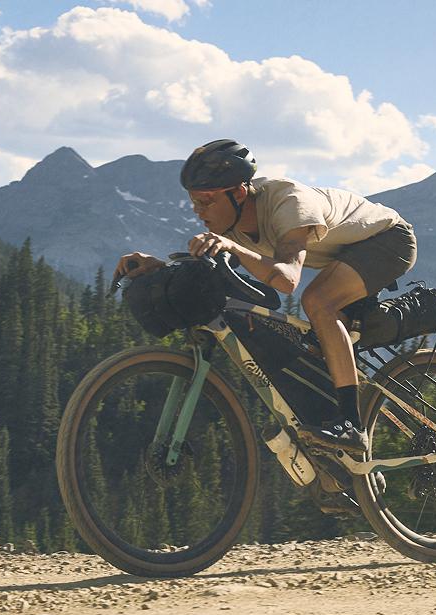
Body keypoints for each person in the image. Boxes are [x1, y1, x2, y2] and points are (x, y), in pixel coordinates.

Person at [114, 139, 416, 456]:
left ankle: (352, 427)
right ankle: (349, 462)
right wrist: (158, 265)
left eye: (205, 201)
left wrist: (233, 247)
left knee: (317, 301)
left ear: (238, 193)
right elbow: (210, 270)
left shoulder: (288, 202)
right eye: (193, 201)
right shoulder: (230, 223)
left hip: (389, 240)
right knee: (308, 354)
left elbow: (287, 280)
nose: (197, 211)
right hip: (340, 258)